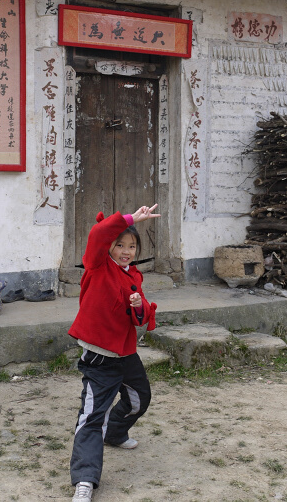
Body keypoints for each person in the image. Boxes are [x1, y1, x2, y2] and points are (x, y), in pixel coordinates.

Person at [68, 205, 161, 502]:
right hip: (99, 356)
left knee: (139, 399)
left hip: (125, 353)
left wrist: (137, 306)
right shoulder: (96, 264)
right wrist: (133, 218)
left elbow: (142, 316)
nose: (126, 251)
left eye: (131, 246)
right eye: (119, 245)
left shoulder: (133, 276)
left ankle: (116, 433)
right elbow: (98, 233)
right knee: (92, 417)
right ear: (108, 247)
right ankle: (84, 479)